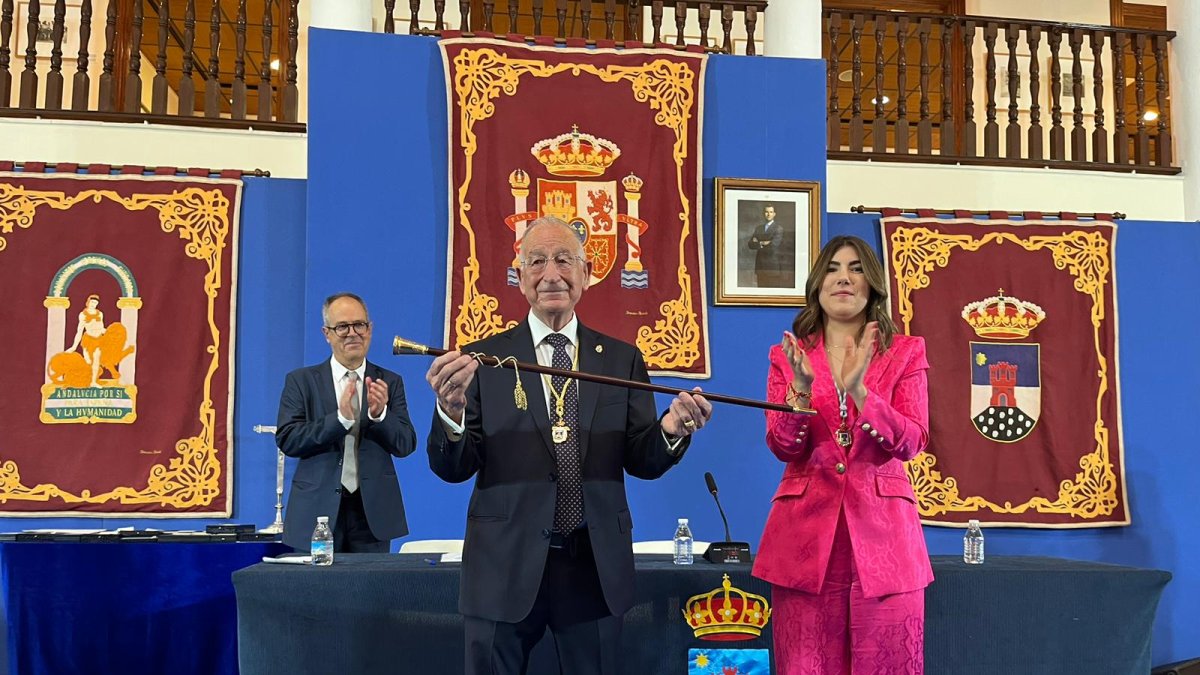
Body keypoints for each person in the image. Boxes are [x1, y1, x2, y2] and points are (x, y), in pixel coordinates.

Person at [425, 216, 713, 675]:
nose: (551, 274)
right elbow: (454, 467)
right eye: (537, 261)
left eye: (564, 260)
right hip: (503, 565)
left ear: (587, 272)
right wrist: (451, 411)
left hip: (593, 568)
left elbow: (642, 458)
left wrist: (672, 428)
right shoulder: (484, 359)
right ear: (519, 276)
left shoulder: (621, 359)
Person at [752, 235, 932, 674]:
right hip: (804, 543)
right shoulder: (787, 356)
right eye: (832, 269)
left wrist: (860, 392)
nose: (843, 278)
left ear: (873, 284)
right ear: (817, 284)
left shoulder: (906, 351)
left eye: (855, 269)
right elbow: (782, 446)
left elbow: (913, 440)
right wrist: (800, 391)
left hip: (886, 542)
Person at [275, 292, 418, 553]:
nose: (353, 333)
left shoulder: (389, 381)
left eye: (359, 325)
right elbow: (288, 439)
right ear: (327, 334)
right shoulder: (301, 381)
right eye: (342, 327)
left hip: (372, 515)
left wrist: (380, 415)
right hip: (316, 512)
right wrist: (340, 419)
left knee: (369, 581)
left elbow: (405, 444)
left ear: (370, 329)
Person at [747, 204, 793, 288]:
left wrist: (758, 242)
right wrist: (763, 243)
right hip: (760, 267)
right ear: (763, 213)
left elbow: (773, 246)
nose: (768, 214)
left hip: (772, 268)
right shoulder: (759, 228)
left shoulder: (778, 228)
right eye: (766, 212)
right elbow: (750, 244)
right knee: (760, 291)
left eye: (771, 212)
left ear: (774, 214)